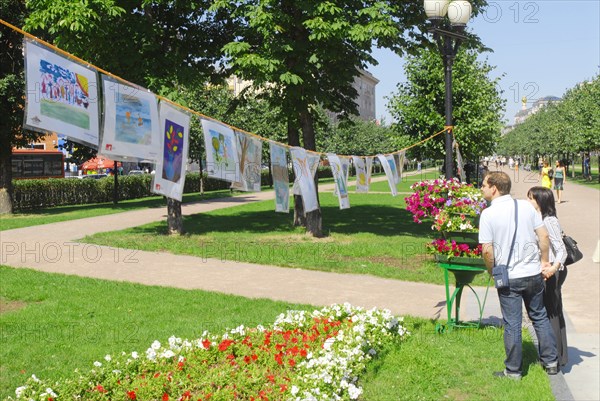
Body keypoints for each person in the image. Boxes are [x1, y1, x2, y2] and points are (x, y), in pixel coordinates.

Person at [479, 172, 558, 379]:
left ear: (494, 188)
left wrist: (491, 270)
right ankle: (551, 361)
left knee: (512, 323)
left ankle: (513, 370)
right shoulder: (525, 206)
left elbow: (487, 250)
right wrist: (544, 260)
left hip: (509, 276)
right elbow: (544, 236)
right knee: (539, 316)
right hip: (533, 273)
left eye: (484, 185)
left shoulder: (488, 214)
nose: (481, 188)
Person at [527, 186, 568, 367]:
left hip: (552, 271)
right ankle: (555, 354)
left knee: (551, 313)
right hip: (545, 270)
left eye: (531, 198)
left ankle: (555, 357)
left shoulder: (549, 221)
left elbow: (561, 250)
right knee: (550, 312)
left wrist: (553, 268)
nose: (528, 201)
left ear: (540, 201)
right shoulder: (538, 219)